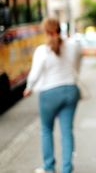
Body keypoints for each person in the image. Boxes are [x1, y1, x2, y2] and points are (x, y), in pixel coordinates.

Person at [23, 18, 82, 173]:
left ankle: (49, 168)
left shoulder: (42, 51)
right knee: (67, 131)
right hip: (71, 90)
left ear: (46, 32)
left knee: (46, 130)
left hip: (49, 93)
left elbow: (35, 74)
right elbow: (77, 67)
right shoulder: (73, 46)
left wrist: (29, 88)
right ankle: (66, 169)